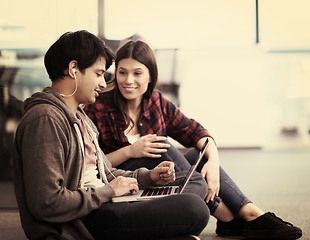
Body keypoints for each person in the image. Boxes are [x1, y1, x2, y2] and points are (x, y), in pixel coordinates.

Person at [84, 39, 303, 240]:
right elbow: (92, 166)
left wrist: (214, 162)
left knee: (199, 154)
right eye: (122, 72)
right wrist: (130, 151)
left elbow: (196, 132)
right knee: (163, 146)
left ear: (150, 76)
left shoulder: (156, 102)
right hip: (123, 181)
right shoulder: (98, 106)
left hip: (160, 180)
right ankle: (232, 216)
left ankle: (245, 213)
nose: (128, 80)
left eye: (137, 73)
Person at [12, 30, 210, 240]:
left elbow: (105, 174)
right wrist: (109, 192)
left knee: (195, 182)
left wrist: (147, 178)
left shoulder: (79, 117)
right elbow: (46, 203)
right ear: (73, 69)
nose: (103, 83)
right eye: (98, 74)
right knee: (194, 208)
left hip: (104, 201)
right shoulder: (45, 119)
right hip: (85, 220)